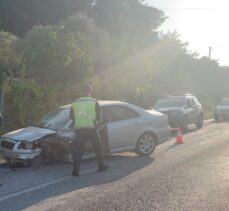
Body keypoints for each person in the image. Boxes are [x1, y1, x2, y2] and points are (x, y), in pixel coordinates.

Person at [70, 84, 108, 176]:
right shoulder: (94, 102)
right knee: (97, 147)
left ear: (81, 92)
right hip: (91, 128)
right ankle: (101, 166)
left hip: (79, 129)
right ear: (90, 91)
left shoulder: (74, 103)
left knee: (79, 150)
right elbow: (99, 118)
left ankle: (76, 171)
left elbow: (71, 117)